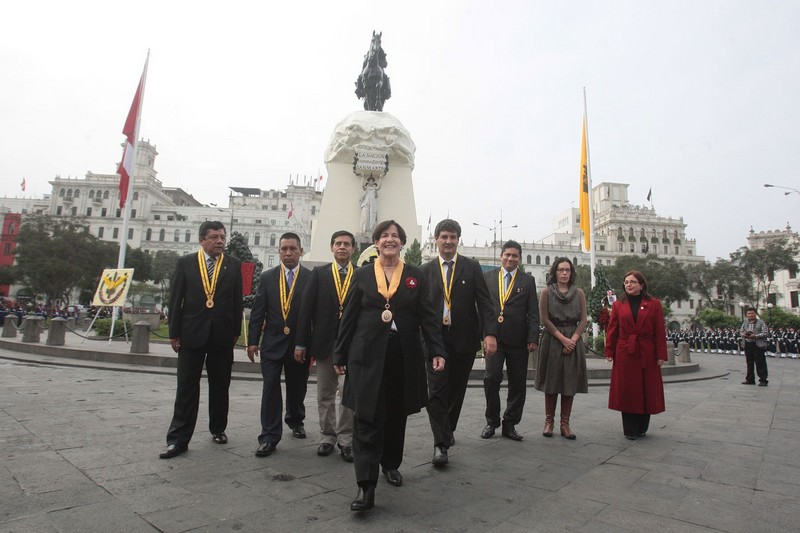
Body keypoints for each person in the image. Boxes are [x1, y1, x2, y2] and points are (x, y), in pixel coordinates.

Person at [334, 220, 446, 512]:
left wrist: (437, 349)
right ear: (376, 242)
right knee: (366, 418)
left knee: (396, 416)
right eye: (385, 235)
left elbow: (428, 317)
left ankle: (390, 464)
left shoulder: (414, 276)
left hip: (402, 356)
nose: (390, 240)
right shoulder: (362, 275)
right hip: (366, 357)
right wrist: (339, 354)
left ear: (402, 243)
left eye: (395, 236)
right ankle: (365, 486)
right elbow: (349, 317)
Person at [160, 221, 243, 459]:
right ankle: (178, 439)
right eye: (214, 237)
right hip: (191, 335)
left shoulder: (233, 265)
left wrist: (236, 330)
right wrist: (174, 333)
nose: (220, 241)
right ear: (201, 240)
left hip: (222, 336)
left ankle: (218, 428)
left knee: (220, 386)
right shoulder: (186, 263)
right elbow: (175, 301)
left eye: (222, 237)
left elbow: (237, 301)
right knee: (186, 387)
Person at [420, 219, 497, 466]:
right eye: (444, 237)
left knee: (456, 389)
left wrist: (489, 333)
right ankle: (440, 445)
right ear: (436, 240)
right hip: (435, 340)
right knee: (437, 392)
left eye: (453, 237)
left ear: (458, 240)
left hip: (464, 339)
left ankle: (447, 429)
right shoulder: (425, 271)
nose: (448, 241)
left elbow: (484, 303)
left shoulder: (471, 268)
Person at [294, 230, 357, 462]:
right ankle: (327, 436)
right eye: (338, 243)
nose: (342, 247)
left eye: (347, 244)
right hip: (323, 344)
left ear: (353, 249)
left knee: (349, 395)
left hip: (351, 346)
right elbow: (306, 310)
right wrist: (301, 343)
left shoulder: (360, 275)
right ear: (331, 248)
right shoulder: (319, 274)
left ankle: (346, 439)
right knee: (325, 393)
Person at [247, 233, 311, 457]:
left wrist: (305, 343)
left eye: (293, 249)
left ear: (301, 251)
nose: (288, 253)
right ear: (279, 252)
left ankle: (295, 419)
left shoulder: (310, 278)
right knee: (270, 386)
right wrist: (252, 341)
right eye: (284, 249)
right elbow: (258, 311)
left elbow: (313, 315)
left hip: (299, 345)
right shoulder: (267, 277)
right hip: (272, 344)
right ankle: (269, 436)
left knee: (297, 387)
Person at [481, 240, 539, 441]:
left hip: (518, 341)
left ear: (519, 259)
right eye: (507, 255)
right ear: (501, 256)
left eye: (515, 256)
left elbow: (533, 312)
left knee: (517, 383)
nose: (510, 258)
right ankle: (491, 422)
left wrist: (533, 337)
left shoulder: (527, 281)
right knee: (492, 378)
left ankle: (510, 423)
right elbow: (482, 308)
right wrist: (485, 334)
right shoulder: (488, 278)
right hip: (494, 339)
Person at [604, 270, 667, 440]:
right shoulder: (618, 305)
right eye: (626, 282)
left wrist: (661, 354)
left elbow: (660, 331)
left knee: (646, 389)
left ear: (641, 284)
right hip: (625, 352)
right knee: (628, 390)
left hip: (647, 351)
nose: (628, 285)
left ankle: (642, 427)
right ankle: (630, 428)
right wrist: (609, 350)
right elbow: (612, 329)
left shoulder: (653, 304)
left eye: (632, 282)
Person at [534, 257, 587, 440]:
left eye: (567, 270)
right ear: (554, 272)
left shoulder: (579, 293)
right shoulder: (546, 292)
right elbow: (545, 319)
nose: (564, 273)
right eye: (561, 270)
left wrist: (572, 339)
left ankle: (565, 424)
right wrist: (563, 339)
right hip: (553, 339)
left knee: (569, 382)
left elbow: (584, 320)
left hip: (573, 340)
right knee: (551, 381)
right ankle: (549, 421)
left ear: (571, 273)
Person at [740, 307, 768, 386]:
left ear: (755, 314)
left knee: (760, 362)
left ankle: (763, 380)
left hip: (757, 345)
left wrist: (755, 336)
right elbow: (741, 331)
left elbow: (765, 333)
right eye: (749, 313)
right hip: (748, 344)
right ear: (746, 315)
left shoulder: (761, 322)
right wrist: (744, 334)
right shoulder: (745, 323)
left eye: (752, 313)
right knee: (749, 362)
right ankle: (750, 379)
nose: (750, 315)